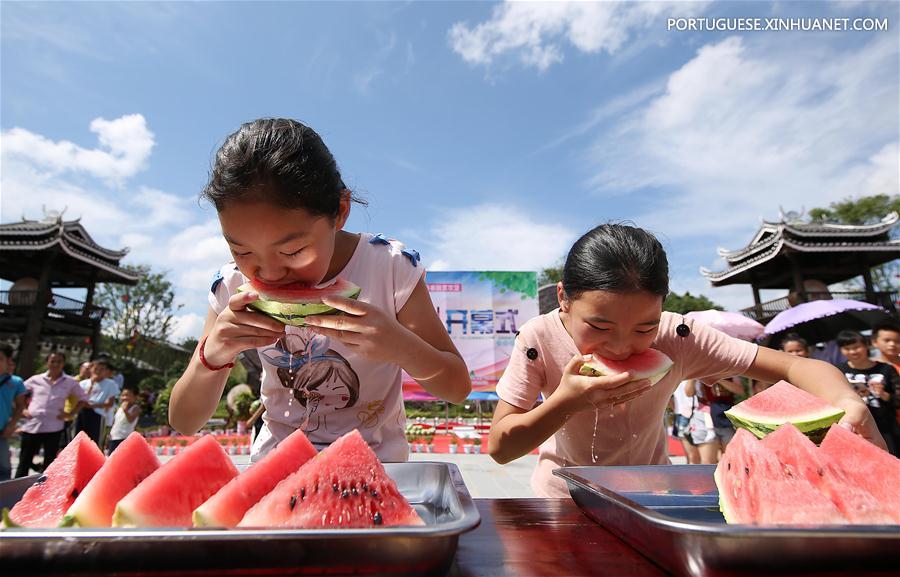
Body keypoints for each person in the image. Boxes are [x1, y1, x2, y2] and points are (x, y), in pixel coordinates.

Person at [487, 223, 884, 497]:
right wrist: (567, 401)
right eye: (600, 326)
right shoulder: (537, 337)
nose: (623, 347)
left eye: (645, 328)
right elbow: (501, 447)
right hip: (561, 500)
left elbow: (796, 366)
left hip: (649, 496)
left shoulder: (679, 336)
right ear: (563, 298)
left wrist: (849, 402)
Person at [169, 118, 471, 462]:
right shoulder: (232, 285)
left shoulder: (390, 267)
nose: (269, 272)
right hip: (276, 469)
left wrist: (400, 345)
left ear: (340, 212)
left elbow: (457, 387)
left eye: (293, 251)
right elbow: (184, 421)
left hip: (375, 470)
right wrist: (213, 356)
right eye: (242, 251)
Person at [16, 352, 88, 477]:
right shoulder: (35, 379)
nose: (55, 364)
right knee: (24, 461)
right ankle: (17, 491)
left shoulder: (70, 382)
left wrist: (70, 413)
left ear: (63, 364)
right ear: (47, 362)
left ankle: (45, 492)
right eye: (52, 361)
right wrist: (23, 409)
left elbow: (83, 398)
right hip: (33, 425)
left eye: (59, 361)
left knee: (49, 463)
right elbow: (18, 392)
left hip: (54, 426)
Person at [836, 330, 898, 456]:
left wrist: (883, 394)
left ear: (866, 345)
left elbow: (898, 400)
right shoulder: (838, 370)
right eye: (847, 348)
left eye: (856, 347)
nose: (853, 352)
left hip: (886, 428)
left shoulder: (886, 369)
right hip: (855, 429)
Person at [684, 377, 742, 464]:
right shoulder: (701, 372)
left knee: (730, 460)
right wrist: (693, 376)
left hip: (725, 418)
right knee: (708, 462)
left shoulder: (729, 370)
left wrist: (718, 379)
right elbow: (688, 393)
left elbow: (740, 390)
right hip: (705, 419)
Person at [0, 344, 28, 481]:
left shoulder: (16, 382)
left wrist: (12, 425)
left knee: (4, 469)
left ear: (7, 361)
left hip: (2, 431)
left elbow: (20, 405)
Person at [75, 360, 119, 446]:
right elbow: (80, 399)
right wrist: (92, 385)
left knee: (95, 442)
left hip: (98, 414)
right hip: (82, 413)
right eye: (96, 369)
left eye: (102, 369)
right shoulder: (83, 383)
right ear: (91, 369)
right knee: (78, 440)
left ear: (105, 371)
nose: (98, 371)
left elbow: (110, 403)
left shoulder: (110, 384)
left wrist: (92, 405)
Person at [669, 381, 699, 464]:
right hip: (682, 415)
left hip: (699, 412)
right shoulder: (673, 371)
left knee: (694, 456)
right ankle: (693, 476)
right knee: (691, 456)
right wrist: (676, 410)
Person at [107, 387, 141, 454]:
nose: (124, 397)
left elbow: (130, 420)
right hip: (114, 436)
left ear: (135, 397)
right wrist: (109, 434)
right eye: (123, 395)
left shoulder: (135, 408)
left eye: (127, 395)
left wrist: (125, 410)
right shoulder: (119, 408)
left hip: (125, 437)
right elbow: (115, 422)